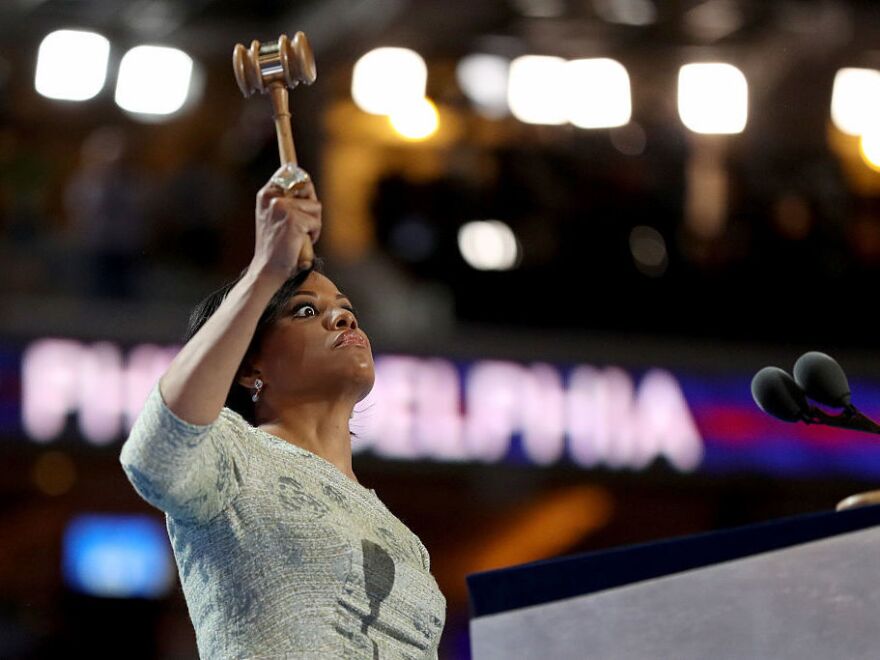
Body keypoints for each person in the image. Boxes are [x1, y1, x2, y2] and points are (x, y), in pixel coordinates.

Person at [119, 168, 447, 658]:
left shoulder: (402, 536)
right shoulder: (235, 455)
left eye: (345, 306)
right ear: (251, 367)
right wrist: (266, 270)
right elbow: (155, 456)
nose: (343, 316)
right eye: (306, 311)